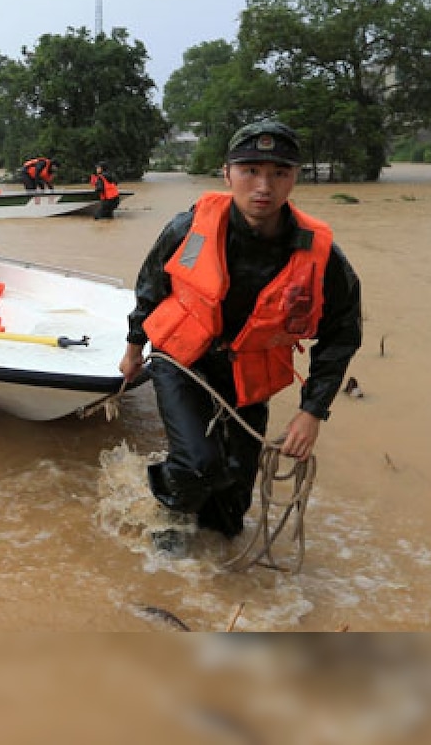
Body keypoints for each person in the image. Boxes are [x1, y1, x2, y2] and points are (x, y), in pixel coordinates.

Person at [118, 120, 363, 556]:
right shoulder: (189, 228)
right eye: (250, 170)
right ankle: (169, 515)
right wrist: (134, 348)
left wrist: (312, 412)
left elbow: (342, 334)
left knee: (232, 510)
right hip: (182, 361)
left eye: (279, 173)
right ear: (227, 173)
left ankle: (218, 560)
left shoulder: (320, 256)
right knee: (200, 464)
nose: (263, 186)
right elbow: (151, 285)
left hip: (248, 374)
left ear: (295, 178)